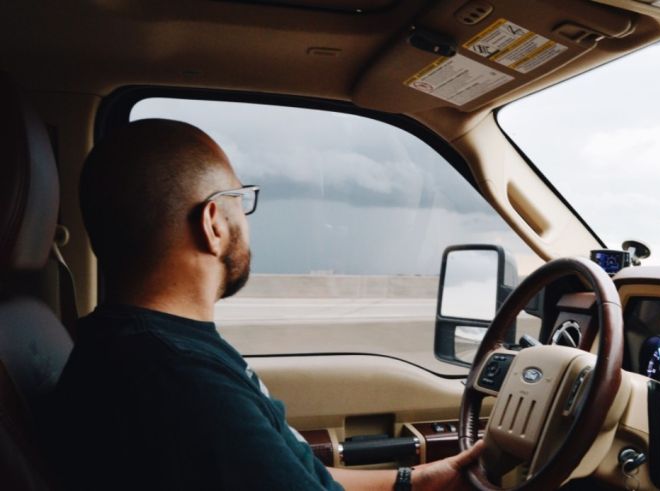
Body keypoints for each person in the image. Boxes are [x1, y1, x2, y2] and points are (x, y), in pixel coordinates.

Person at [46, 119, 484, 490]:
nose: (246, 220)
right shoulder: (176, 378)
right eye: (241, 200)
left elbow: (293, 470)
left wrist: (417, 479)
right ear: (213, 222)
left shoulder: (157, 348)